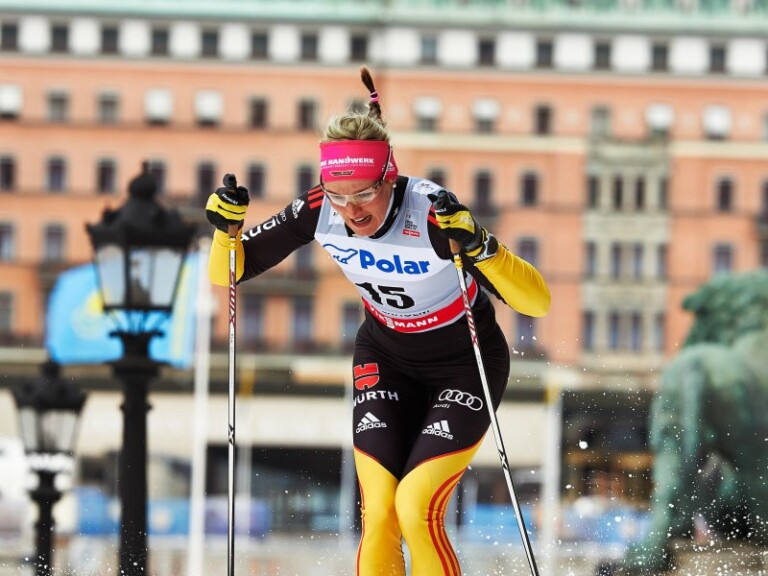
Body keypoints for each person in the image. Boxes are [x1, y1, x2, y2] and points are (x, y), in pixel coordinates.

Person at [206, 67, 550, 576]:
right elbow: (229, 271)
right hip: (385, 358)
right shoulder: (319, 208)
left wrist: (479, 244)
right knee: (380, 511)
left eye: (365, 193)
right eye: (339, 195)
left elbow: (536, 302)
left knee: (416, 506)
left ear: (390, 177)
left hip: (464, 364)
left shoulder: (430, 214)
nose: (352, 210)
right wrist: (226, 230)